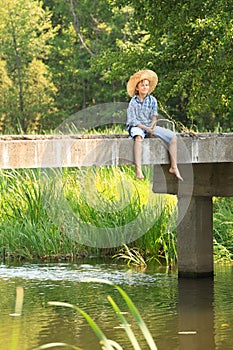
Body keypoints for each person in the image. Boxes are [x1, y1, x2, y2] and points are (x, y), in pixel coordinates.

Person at [126, 69, 183, 181]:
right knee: (138, 137)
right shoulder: (133, 102)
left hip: (149, 126)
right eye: (142, 85)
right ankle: (138, 169)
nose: (145, 87)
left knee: (173, 137)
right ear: (137, 88)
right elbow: (133, 120)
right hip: (137, 127)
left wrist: (152, 127)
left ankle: (173, 167)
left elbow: (154, 116)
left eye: (146, 85)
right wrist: (146, 128)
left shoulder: (153, 100)